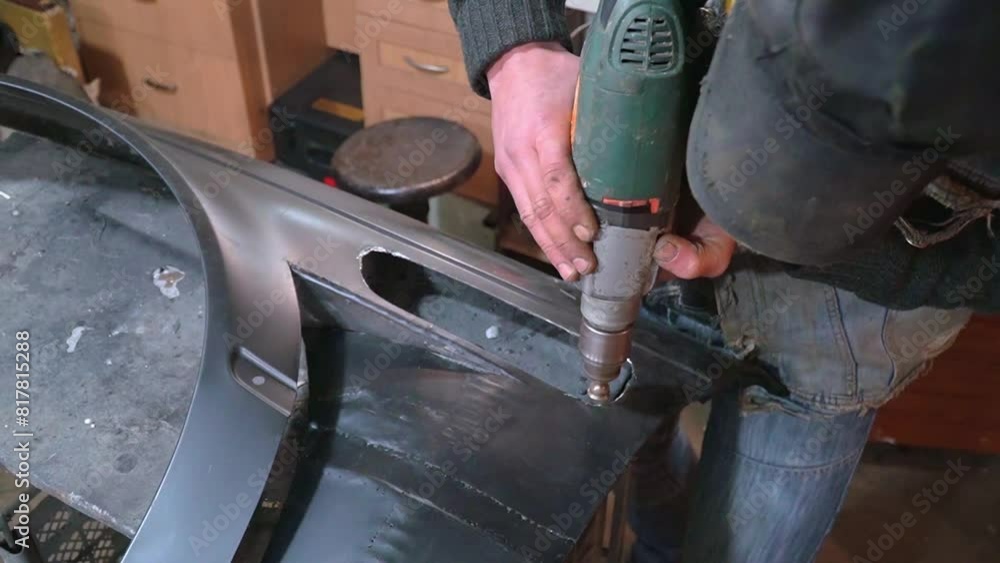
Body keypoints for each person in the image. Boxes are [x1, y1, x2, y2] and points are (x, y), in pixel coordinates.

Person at [448, 0, 999, 561]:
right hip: (621, 159)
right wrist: (516, 48)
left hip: (846, 308)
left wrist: (790, 226)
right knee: (636, 448)